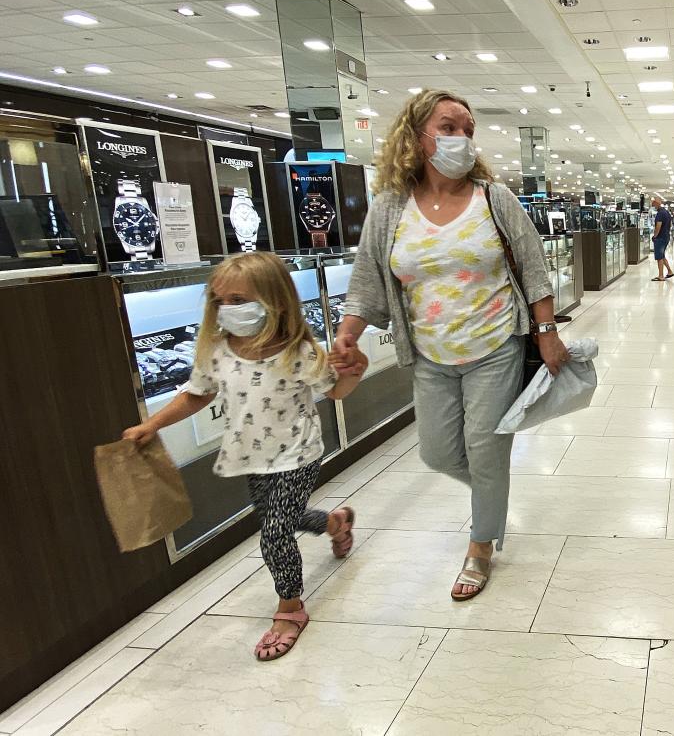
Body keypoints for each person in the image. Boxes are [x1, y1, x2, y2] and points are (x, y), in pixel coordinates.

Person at [331, 89, 567, 602]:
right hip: (429, 353)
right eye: (448, 127)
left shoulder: (493, 198)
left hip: (495, 344)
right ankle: (492, 489)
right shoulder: (391, 207)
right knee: (439, 454)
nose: (461, 138)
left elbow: (532, 267)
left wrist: (546, 333)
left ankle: (480, 545)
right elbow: (368, 279)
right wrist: (347, 332)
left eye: (467, 129)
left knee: (484, 448)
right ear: (416, 135)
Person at [122, 252, 367, 661]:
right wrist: (153, 424)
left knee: (273, 532)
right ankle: (334, 522)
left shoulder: (298, 351)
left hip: (297, 453)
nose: (229, 309)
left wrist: (354, 371)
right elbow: (196, 396)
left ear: (275, 300)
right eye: (221, 301)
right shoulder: (216, 351)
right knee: (283, 518)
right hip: (250, 456)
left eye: (240, 300)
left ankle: (290, 607)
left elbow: (335, 390)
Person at [651, 195, 674, 281]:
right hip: (666, 236)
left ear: (656, 203)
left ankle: (661, 276)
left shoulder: (660, 213)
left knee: (659, 257)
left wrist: (655, 236)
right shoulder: (666, 212)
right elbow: (670, 224)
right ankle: (669, 271)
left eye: (653, 204)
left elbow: (658, 226)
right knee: (662, 255)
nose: (652, 206)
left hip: (660, 238)